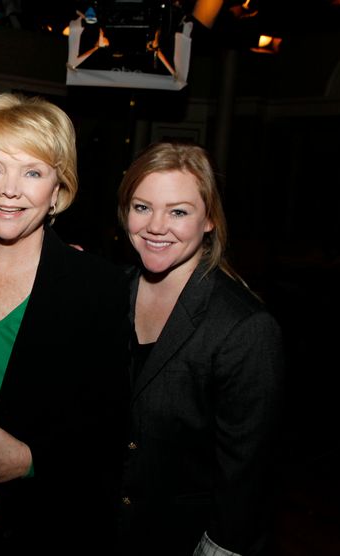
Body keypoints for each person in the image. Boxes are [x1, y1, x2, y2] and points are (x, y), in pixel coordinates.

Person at [0, 92, 131, 553]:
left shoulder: (96, 288)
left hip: (38, 523)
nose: (9, 189)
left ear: (58, 190)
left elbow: (110, 427)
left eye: (33, 172)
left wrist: (29, 460)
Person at [115, 142, 285, 555]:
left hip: (183, 537)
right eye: (142, 207)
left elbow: (248, 471)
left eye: (178, 211)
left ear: (208, 219)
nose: (156, 226)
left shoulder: (244, 328)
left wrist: (220, 545)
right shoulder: (111, 292)